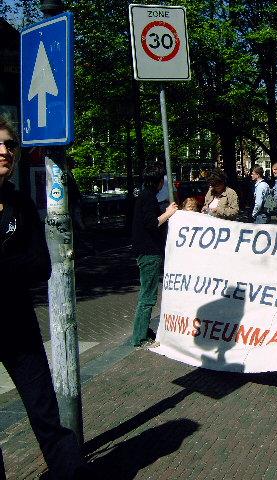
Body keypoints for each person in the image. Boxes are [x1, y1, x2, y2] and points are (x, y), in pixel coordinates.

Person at [0, 117, 85, 478]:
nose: (4, 151)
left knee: (46, 414)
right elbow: (25, 264)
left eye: (10, 145)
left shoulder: (19, 203)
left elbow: (40, 265)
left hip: (17, 325)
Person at [131, 163, 178, 347]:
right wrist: (168, 213)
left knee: (147, 294)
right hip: (149, 252)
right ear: (159, 182)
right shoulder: (148, 198)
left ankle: (143, 331)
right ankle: (140, 338)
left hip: (145, 251)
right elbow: (152, 223)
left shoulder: (144, 197)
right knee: (148, 296)